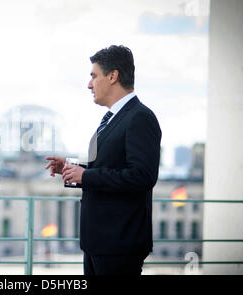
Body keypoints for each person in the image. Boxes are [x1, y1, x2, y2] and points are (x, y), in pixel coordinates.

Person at [46, 45, 161, 275]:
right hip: (99, 242)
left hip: (119, 242)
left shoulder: (140, 118)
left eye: (93, 76)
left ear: (112, 76)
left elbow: (142, 176)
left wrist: (86, 176)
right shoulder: (113, 118)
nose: (89, 85)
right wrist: (73, 169)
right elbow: (111, 167)